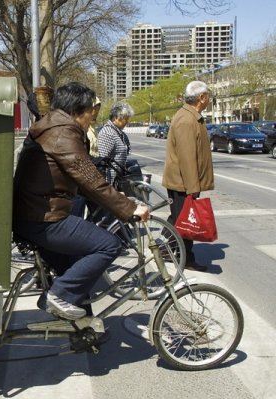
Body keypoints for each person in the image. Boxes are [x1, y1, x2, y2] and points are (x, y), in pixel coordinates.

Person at [13, 82, 150, 320]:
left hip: (33, 215)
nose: (92, 118)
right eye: (90, 112)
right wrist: (130, 209)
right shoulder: (62, 133)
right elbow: (89, 179)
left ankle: (85, 331)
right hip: (44, 218)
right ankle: (59, 295)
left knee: (74, 267)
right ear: (78, 111)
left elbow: (83, 182)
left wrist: (120, 200)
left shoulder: (51, 127)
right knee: (108, 245)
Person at [162, 80, 214, 272]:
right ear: (201, 97)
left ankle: (168, 249)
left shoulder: (192, 117)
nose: (209, 98)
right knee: (186, 223)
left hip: (184, 182)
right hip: (182, 183)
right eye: (208, 95)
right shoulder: (186, 119)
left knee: (178, 219)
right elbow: (187, 157)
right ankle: (186, 259)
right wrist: (193, 188)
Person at [97, 101, 134, 185]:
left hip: (116, 182)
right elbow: (102, 161)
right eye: (125, 119)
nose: (127, 122)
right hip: (108, 183)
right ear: (115, 118)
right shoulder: (108, 133)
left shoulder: (118, 132)